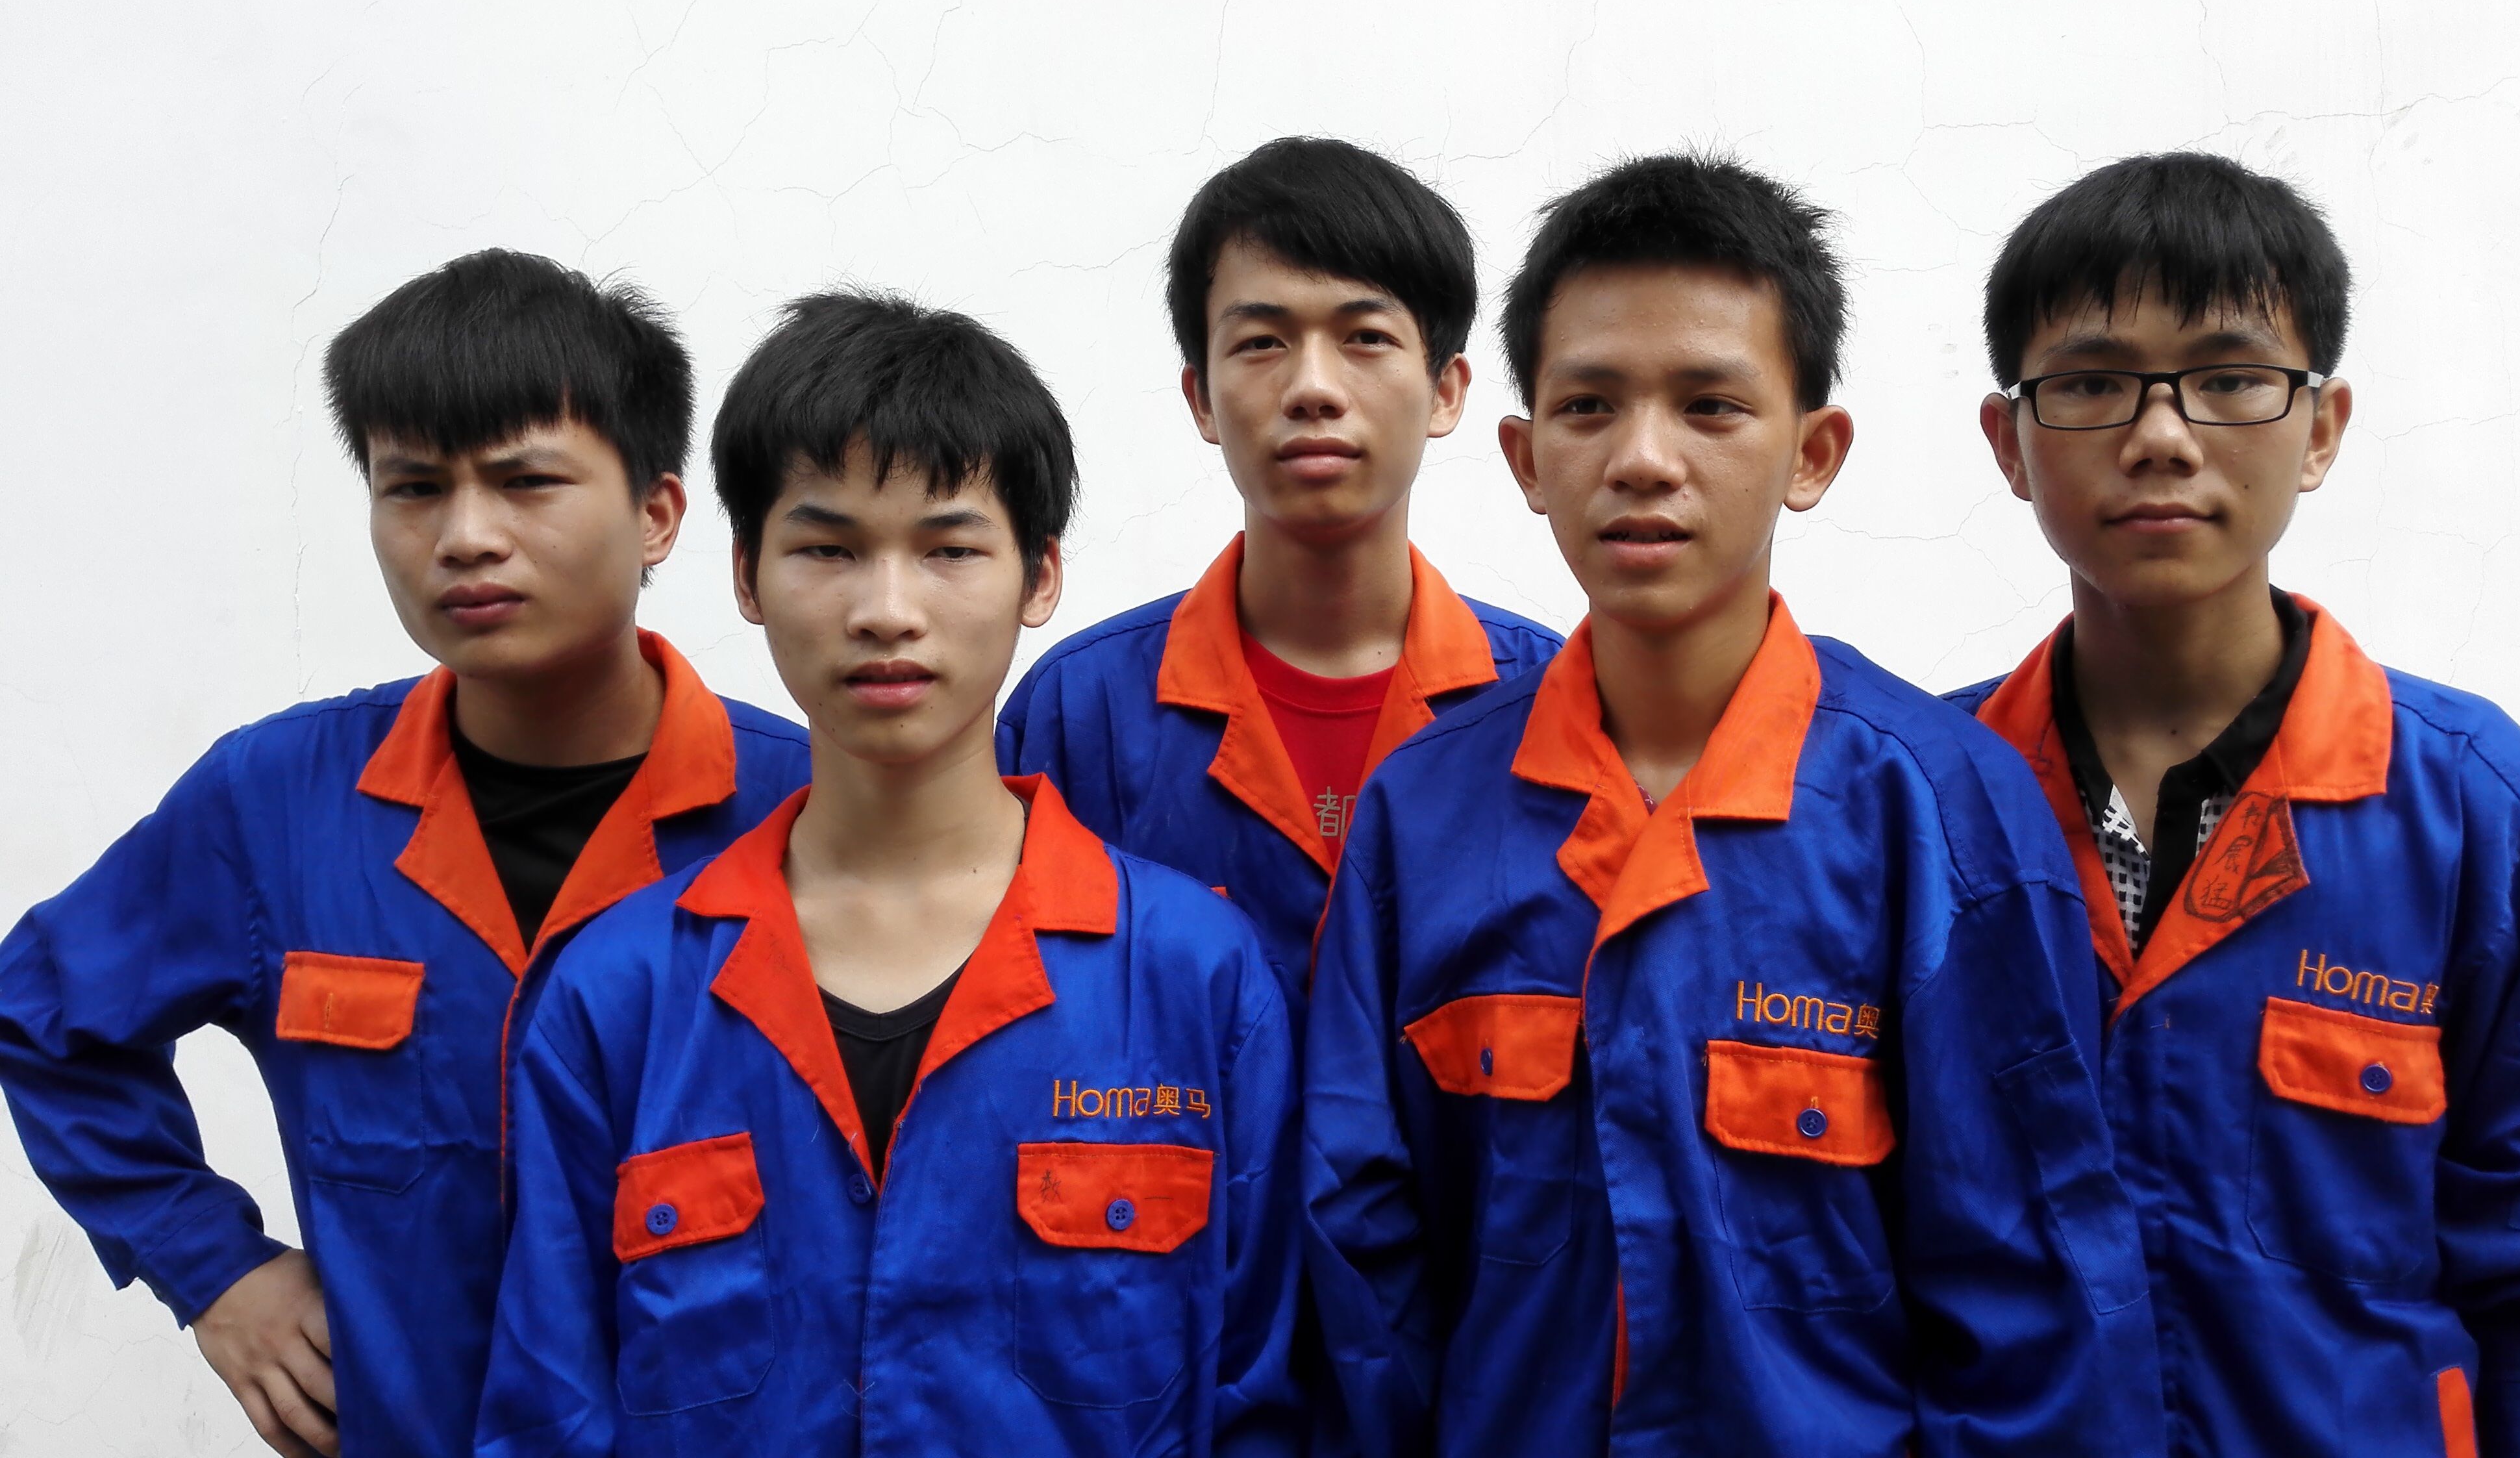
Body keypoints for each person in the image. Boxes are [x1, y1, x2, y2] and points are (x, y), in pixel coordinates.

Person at [1301, 153, 2160, 1457]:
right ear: (1526, 458)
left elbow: (2031, 1302)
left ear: (1812, 453)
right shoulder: (1421, 821)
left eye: (1710, 406)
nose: (1643, 460)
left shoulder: (1938, 813)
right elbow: (1365, 1271)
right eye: (1588, 407)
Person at [0, 250, 810, 1457]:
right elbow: (46, 1017)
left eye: (527, 482)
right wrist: (215, 1271)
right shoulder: (277, 805)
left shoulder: (802, 809)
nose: (466, 537)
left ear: (657, 514)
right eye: (416, 488)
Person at [477, 292, 1299, 1455]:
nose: (887, 611)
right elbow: (548, 1417)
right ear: (747, 576)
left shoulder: (1192, 978)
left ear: (1041, 577)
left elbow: (1265, 1401)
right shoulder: (621, 994)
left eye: (950, 549)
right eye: (828, 549)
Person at [1945, 151, 2520, 1457]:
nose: (2162, 437)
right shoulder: (1923, 802)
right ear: (2010, 443)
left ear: (2320, 428)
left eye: (2229, 380)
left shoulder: (2484, 817)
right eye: (2092, 383)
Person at [998, 136, 1560, 988]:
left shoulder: (1549, 703)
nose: (1313, 389)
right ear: (1202, 399)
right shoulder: (1080, 717)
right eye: (1262, 343)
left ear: (1446, 392)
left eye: (1366, 337)